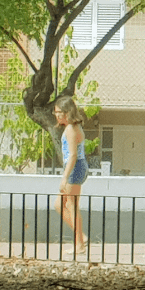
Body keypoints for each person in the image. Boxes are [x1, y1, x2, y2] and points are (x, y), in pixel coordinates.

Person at [53, 96, 88, 254]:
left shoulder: (71, 129)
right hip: (76, 167)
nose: (57, 115)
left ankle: (79, 245)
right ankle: (81, 236)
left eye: (59, 112)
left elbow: (73, 155)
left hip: (75, 167)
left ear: (67, 112)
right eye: (56, 112)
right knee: (59, 205)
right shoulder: (73, 127)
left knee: (72, 206)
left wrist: (65, 177)